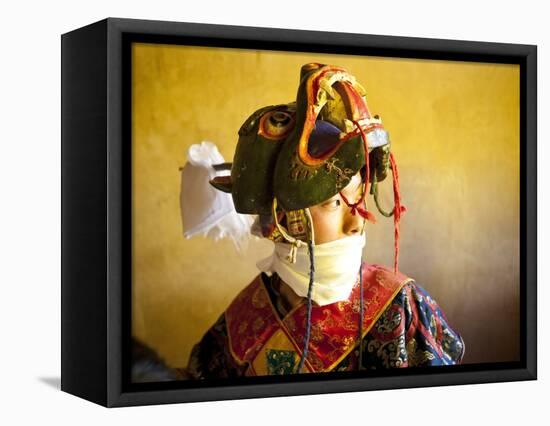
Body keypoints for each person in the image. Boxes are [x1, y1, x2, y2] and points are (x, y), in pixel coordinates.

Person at [181, 63, 465, 379]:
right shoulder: (243, 320)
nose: (357, 223)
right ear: (281, 219)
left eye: (358, 199)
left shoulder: (399, 305)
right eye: (333, 203)